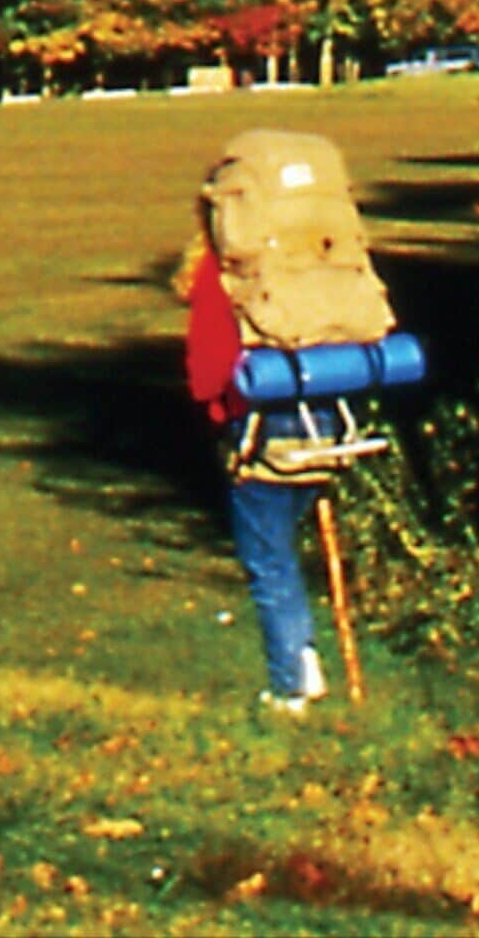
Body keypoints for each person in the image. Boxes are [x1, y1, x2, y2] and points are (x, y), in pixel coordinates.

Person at [177, 234, 329, 712]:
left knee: (267, 557)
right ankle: (303, 659)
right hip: (324, 416)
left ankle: (291, 684)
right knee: (282, 548)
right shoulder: (299, 258)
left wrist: (215, 415)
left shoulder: (221, 274)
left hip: (259, 425)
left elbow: (206, 370)